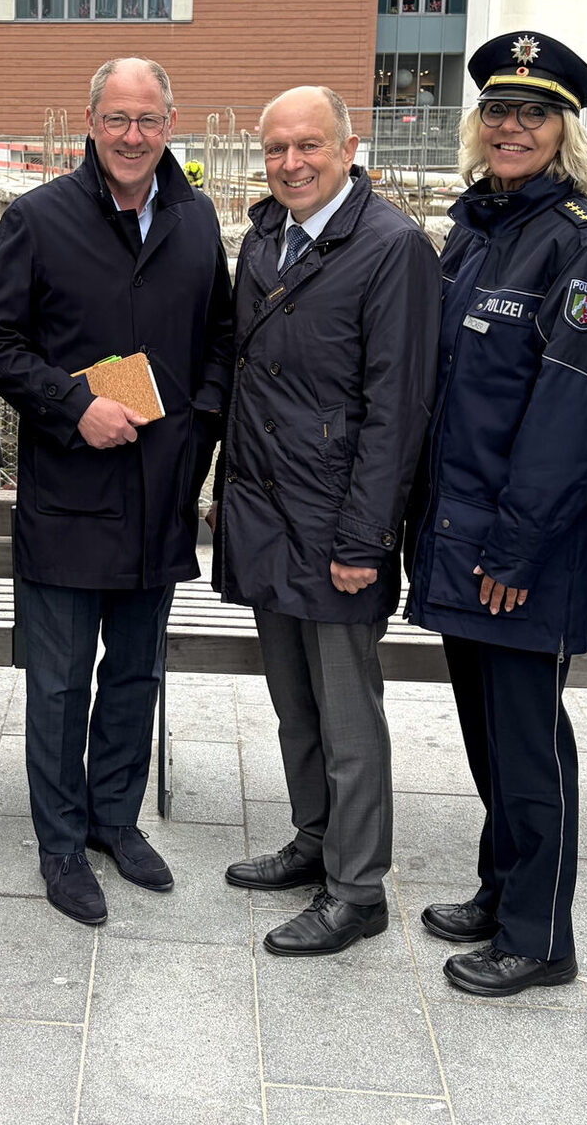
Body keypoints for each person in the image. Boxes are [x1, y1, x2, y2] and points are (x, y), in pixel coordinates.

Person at [0, 57, 234, 926]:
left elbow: (221, 338)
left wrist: (197, 425)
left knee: (135, 672)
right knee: (57, 685)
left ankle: (114, 818)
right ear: (89, 122)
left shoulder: (196, 220)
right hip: (71, 491)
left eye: (148, 120)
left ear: (170, 124)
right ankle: (59, 842)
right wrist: (74, 404)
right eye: (117, 118)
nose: (132, 135)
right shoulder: (38, 218)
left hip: (161, 492)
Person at [402, 35, 587, 994]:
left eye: (534, 114)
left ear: (563, 132)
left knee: (530, 744)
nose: (512, 127)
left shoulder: (583, 245)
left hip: (521, 548)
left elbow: (573, 417)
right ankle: (502, 890)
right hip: (465, 533)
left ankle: (540, 938)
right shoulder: (480, 229)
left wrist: (515, 547)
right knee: (488, 733)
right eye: (498, 111)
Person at [213, 87, 439, 956]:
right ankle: (314, 838)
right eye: (276, 148)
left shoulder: (392, 247)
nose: (291, 162)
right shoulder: (267, 234)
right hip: (269, 512)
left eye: (309, 145)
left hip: (338, 521)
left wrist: (364, 540)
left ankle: (357, 888)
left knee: (348, 720)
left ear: (350, 148)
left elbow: (398, 409)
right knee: (295, 705)